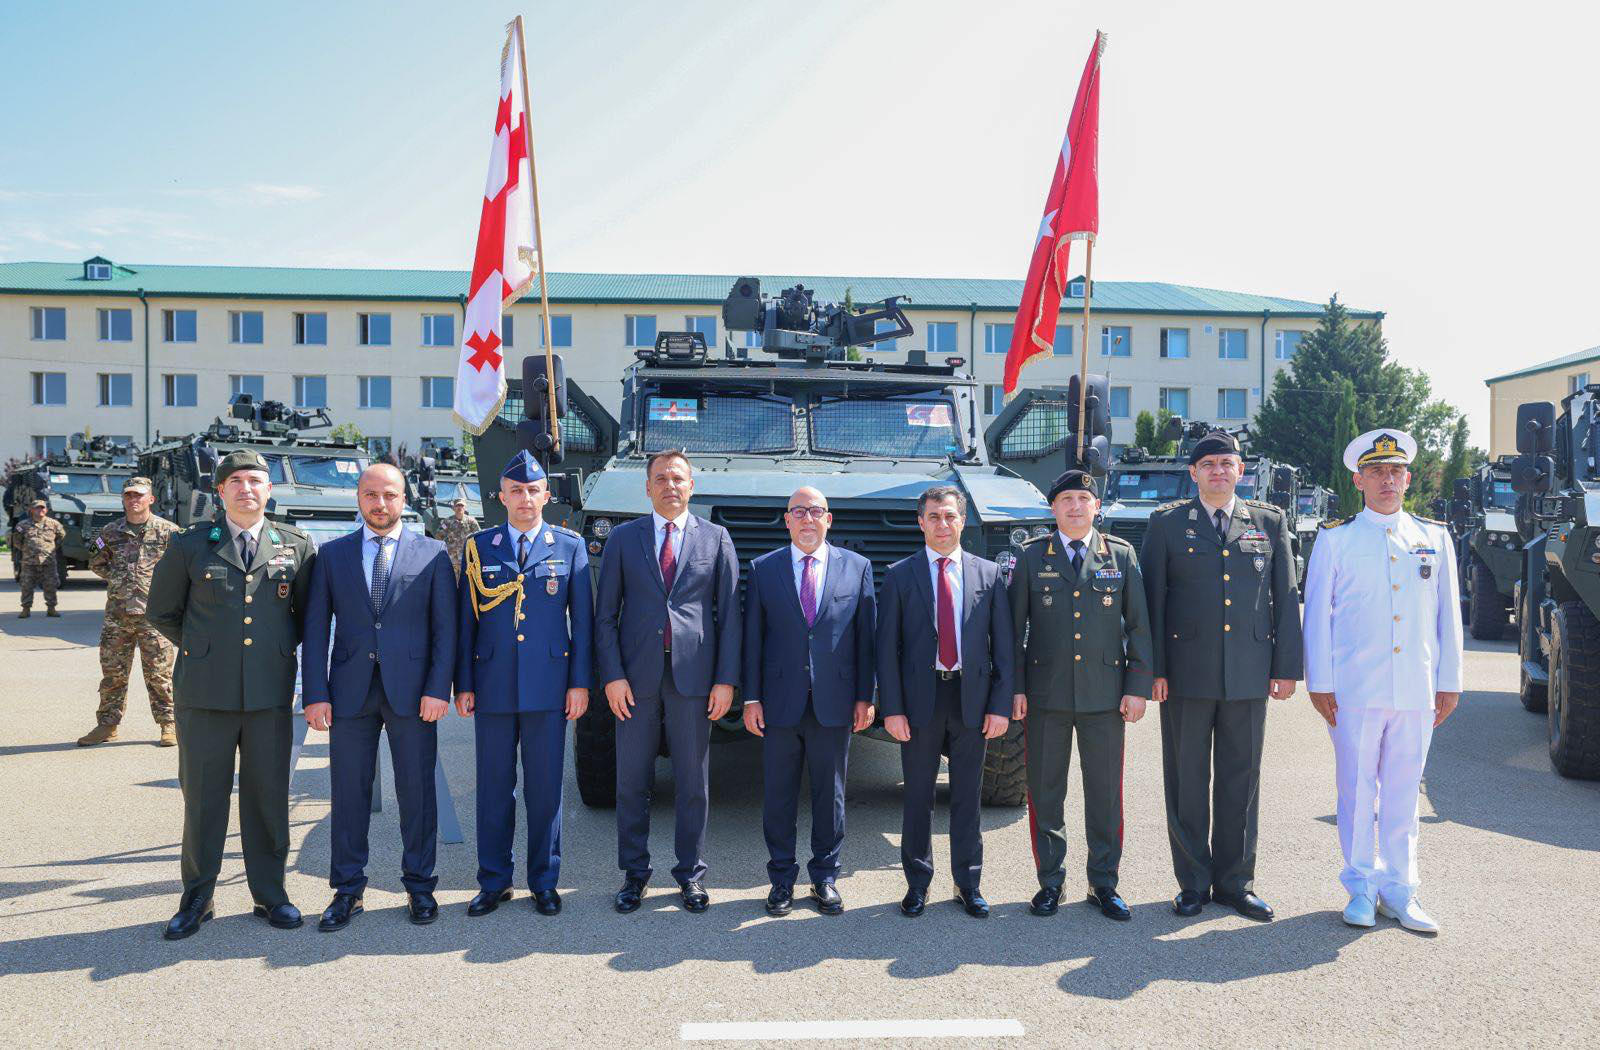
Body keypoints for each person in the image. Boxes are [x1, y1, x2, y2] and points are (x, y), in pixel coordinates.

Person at [146, 450, 317, 940]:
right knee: (204, 798)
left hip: (268, 694)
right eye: (236, 481)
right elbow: (162, 611)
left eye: (256, 481)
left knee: (267, 797)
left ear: (270, 490)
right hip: (204, 693)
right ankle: (198, 896)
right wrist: (203, 648)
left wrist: (274, 650)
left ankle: (271, 893)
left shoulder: (296, 545)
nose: (246, 489)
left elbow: (306, 615)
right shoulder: (190, 545)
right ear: (219, 492)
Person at [1139, 431, 1304, 922]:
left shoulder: (1269, 523)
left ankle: (1236, 883)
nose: (1217, 471)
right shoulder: (1167, 525)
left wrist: (1286, 668)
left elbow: (1286, 597)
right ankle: (1192, 883)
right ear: (1193, 473)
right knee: (1188, 780)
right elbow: (1152, 604)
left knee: (1241, 780)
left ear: (1241, 470)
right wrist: (1154, 672)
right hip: (1185, 675)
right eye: (1207, 463)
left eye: (1226, 463)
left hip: (1250, 674)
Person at [1303, 429, 1462, 934]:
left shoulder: (1434, 537)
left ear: (1408, 477)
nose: (1387, 479)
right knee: (1355, 789)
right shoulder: (1336, 538)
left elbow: (1448, 616)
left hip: (1416, 688)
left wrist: (1450, 680)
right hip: (1355, 688)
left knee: (1402, 793)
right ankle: (1360, 887)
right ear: (1358, 480)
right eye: (1376, 471)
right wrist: (1320, 682)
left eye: (1395, 471)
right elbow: (1318, 617)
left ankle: (1401, 890)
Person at [300, 464, 457, 930]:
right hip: (348, 694)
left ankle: (420, 886)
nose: (380, 504)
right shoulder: (332, 556)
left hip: (413, 695)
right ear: (358, 499)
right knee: (348, 794)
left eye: (389, 495)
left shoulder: (432, 555)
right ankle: (347, 890)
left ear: (403, 499)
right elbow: (314, 630)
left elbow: (445, 631)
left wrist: (437, 689)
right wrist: (315, 693)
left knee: (417, 792)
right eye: (370, 494)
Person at [595, 449, 740, 915]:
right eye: (661, 478)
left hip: (694, 680)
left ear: (691, 486)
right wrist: (613, 677)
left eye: (678, 478)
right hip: (636, 681)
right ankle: (634, 875)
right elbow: (605, 618)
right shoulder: (623, 539)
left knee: (692, 783)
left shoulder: (716, 539)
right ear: (648, 487)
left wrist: (726, 681)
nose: (670, 486)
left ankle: (690, 876)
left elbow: (730, 616)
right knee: (632, 782)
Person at [1009, 470, 1153, 922]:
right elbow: (1013, 633)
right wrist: (1014, 689)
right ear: (1053, 509)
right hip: (1045, 696)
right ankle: (1050, 882)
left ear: (1097, 506)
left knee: (1105, 794)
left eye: (1083, 499)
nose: (1075, 506)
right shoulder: (1032, 557)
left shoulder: (1121, 556)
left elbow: (1139, 627)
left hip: (1105, 697)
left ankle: (1103, 883)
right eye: (1066, 499)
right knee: (1046, 794)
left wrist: (1137, 689)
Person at [455, 451, 592, 917]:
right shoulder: (479, 547)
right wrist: (464, 682)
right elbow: (465, 623)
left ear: (547, 496)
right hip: (491, 683)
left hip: (550, 686)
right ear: (501, 497)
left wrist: (579, 684)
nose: (525, 498)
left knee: (545, 788)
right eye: (516, 490)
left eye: (534, 490)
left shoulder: (569, 547)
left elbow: (584, 625)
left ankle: (543, 880)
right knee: (494, 787)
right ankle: (494, 881)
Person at [876, 485, 1014, 919]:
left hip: (971, 698)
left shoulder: (988, 575)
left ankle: (968, 883)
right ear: (921, 522)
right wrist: (892, 709)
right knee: (917, 796)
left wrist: (1000, 704)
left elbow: (1004, 647)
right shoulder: (900, 575)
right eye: (933, 516)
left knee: (967, 798)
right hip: (921, 700)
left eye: (950, 515)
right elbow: (886, 650)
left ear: (962, 520)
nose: (942, 524)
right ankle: (917, 884)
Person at [741, 486, 876, 917]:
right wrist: (752, 698)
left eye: (815, 511)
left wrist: (864, 698)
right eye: (798, 511)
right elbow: (752, 642)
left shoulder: (857, 568)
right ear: (786, 520)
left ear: (829, 519)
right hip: (779, 702)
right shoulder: (765, 569)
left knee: (829, 794)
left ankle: (824, 878)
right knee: (778, 796)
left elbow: (865, 641)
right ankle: (781, 880)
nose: (807, 519)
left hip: (834, 703)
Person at [81, 477, 180, 747]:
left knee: (160, 676)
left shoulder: (170, 532)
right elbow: (93, 559)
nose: (133, 500)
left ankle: (169, 725)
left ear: (151, 499)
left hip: (155, 618)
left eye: (139, 495)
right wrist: (118, 579)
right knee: (113, 675)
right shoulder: (108, 532)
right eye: (128, 495)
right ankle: (107, 725)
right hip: (118, 618)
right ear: (123, 499)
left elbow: (183, 569)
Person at [13, 499, 65, 618]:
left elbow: (61, 537)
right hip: (29, 561)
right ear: (31, 510)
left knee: (51, 585)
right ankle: (26, 609)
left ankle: (51, 608)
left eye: (43, 508)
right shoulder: (23, 525)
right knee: (26, 585)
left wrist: (51, 548)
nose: (40, 510)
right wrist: (26, 550)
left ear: (46, 510)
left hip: (48, 561)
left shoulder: (54, 524)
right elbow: (16, 541)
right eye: (37, 508)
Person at [438, 496, 479, 578]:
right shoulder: (447, 522)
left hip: (467, 557)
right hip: (452, 558)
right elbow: (439, 535)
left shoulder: (471, 522)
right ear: (453, 508)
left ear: (465, 508)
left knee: (467, 581)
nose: (459, 508)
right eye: (457, 506)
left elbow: (478, 537)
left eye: (462, 506)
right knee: (451, 580)